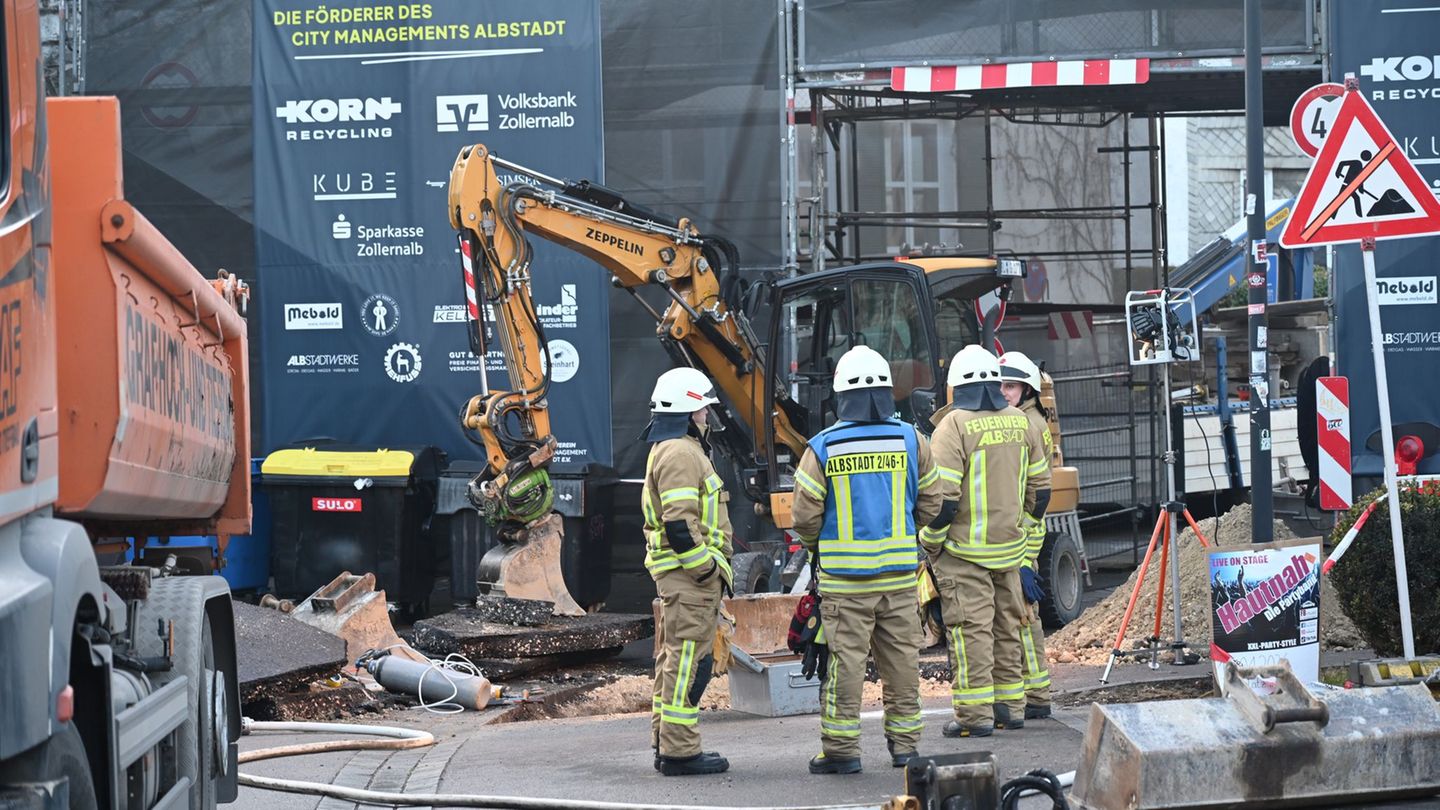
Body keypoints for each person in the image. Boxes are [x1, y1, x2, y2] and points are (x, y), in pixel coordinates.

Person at [791, 345, 943, 774]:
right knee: (902, 666)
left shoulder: (822, 448)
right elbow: (933, 504)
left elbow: (804, 518)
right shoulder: (913, 440)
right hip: (898, 580)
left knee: (845, 668)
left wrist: (818, 546)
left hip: (844, 584)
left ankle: (841, 753)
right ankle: (906, 749)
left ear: (841, 395)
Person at [921, 345, 1049, 738]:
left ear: (956, 386)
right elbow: (1040, 492)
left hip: (964, 553)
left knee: (970, 632)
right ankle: (1010, 708)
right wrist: (1022, 532)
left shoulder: (953, 426)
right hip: (1009, 552)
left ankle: (974, 716)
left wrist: (930, 542)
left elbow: (944, 501)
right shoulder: (1022, 422)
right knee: (1007, 628)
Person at [641, 367, 733, 776]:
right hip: (689, 577)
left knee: (673, 659)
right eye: (702, 410)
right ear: (687, 413)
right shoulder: (679, 452)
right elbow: (680, 525)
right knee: (687, 663)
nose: (707, 417)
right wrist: (706, 571)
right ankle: (680, 751)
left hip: (682, 576)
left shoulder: (675, 449)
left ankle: (667, 743)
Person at [995, 351, 1055, 724]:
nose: (1004, 392)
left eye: (1011, 386)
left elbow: (1036, 495)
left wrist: (1024, 554)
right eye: (1000, 384)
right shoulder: (1030, 419)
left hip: (1021, 538)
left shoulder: (1027, 425)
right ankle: (1035, 692)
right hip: (1024, 534)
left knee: (1023, 618)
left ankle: (1035, 695)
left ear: (1027, 388)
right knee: (1024, 618)